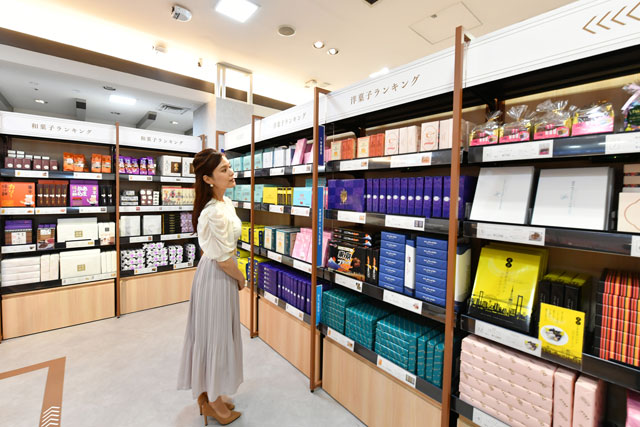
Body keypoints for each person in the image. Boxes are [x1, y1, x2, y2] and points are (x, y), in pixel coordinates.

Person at [178, 148, 245, 426]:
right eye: (223, 170)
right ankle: (213, 402)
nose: (231, 173)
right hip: (218, 275)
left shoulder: (224, 203)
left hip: (218, 273)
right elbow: (223, 259)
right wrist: (241, 278)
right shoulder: (214, 212)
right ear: (207, 179)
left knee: (214, 334)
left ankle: (209, 394)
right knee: (215, 336)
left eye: (229, 167)